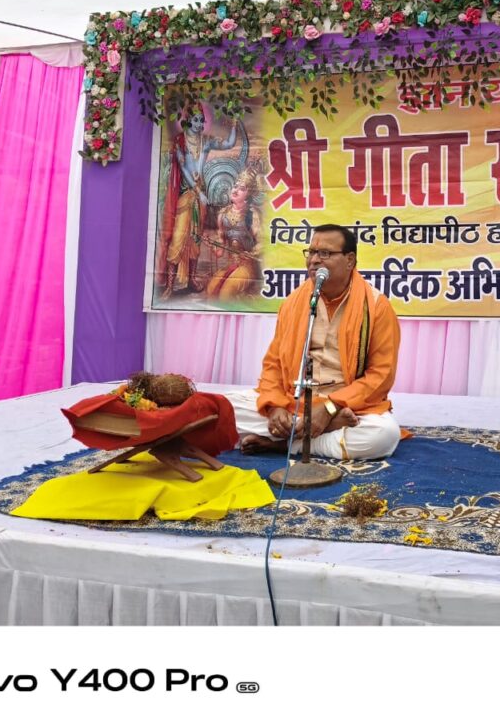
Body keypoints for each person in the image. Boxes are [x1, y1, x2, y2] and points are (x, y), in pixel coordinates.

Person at [228, 224, 401, 460]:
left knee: (384, 434)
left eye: (325, 253)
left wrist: (329, 408)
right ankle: (310, 432)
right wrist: (275, 406)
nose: (314, 260)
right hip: (294, 402)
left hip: (346, 406)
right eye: (311, 252)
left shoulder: (376, 307)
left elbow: (380, 376)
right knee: (222, 409)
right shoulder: (293, 303)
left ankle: (287, 445)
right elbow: (274, 364)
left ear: (350, 260)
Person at [159, 106, 239, 300]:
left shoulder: (206, 141)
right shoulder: (180, 141)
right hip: (186, 194)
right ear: (188, 120)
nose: (198, 124)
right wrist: (197, 191)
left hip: (200, 197)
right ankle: (169, 285)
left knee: (196, 239)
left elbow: (229, 143)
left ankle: (191, 280)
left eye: (201, 120)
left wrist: (235, 124)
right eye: (195, 120)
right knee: (178, 237)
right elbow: (185, 170)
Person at [205, 168, 262, 302]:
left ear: (248, 194)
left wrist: (252, 253)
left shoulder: (252, 215)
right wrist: (212, 244)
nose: (235, 190)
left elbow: (262, 243)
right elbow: (220, 251)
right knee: (211, 290)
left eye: (241, 189)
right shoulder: (223, 214)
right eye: (235, 186)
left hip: (247, 266)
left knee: (226, 293)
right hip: (231, 264)